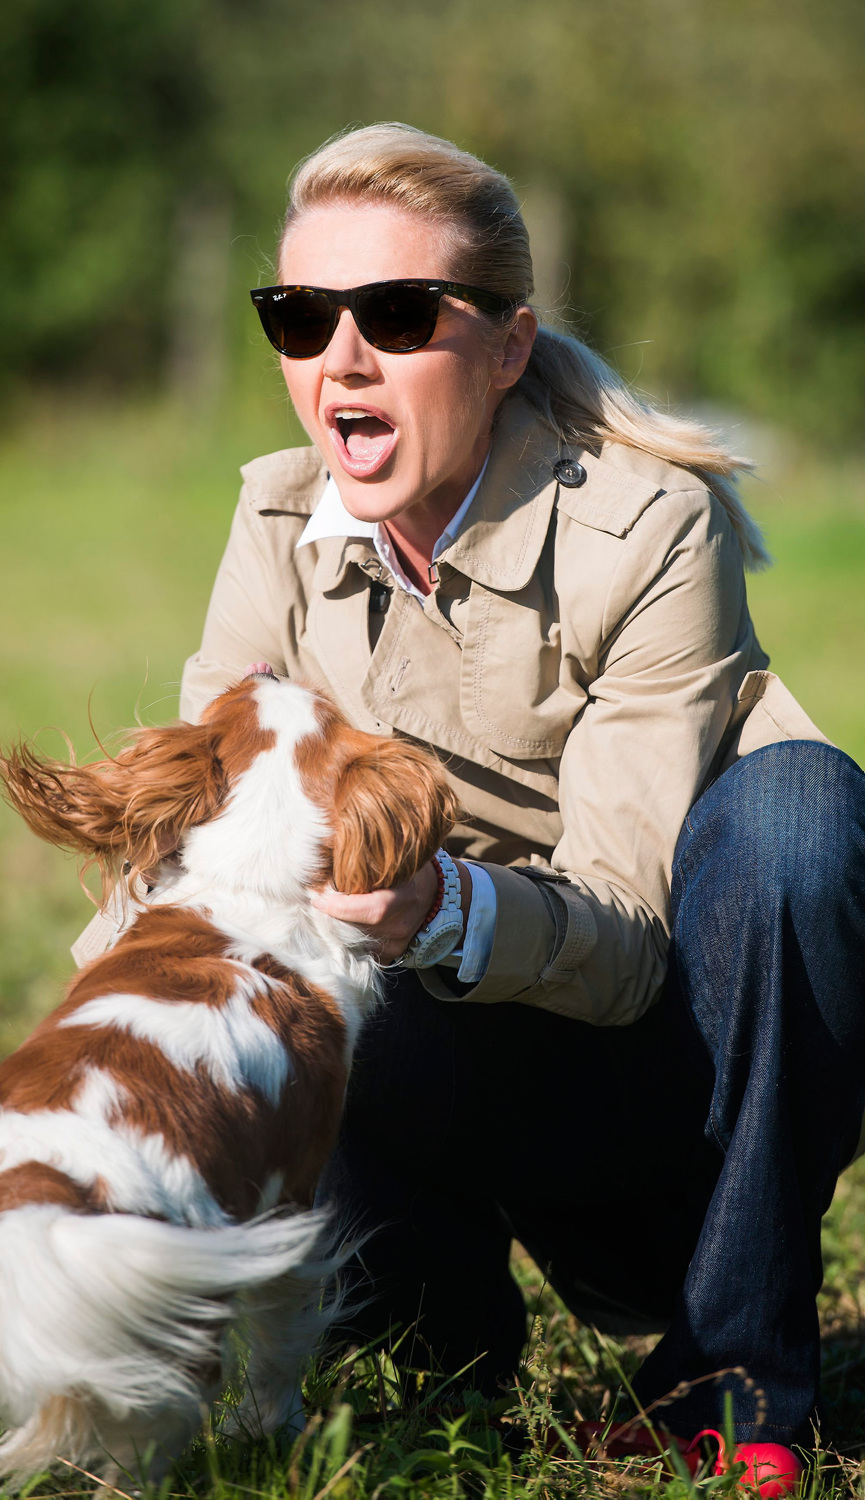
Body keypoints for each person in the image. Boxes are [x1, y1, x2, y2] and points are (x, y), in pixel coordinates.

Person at [178, 123, 865, 1478]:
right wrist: (54, 1127)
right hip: (446, 1085)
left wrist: (438, 905)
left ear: (506, 347)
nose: (341, 358)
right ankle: (432, 1356)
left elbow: (627, 945)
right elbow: (190, 866)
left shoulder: (652, 530)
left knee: (802, 812)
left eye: (395, 314)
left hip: (674, 1096)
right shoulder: (275, 524)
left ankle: (731, 1383)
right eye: (301, 317)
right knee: (286, 980)